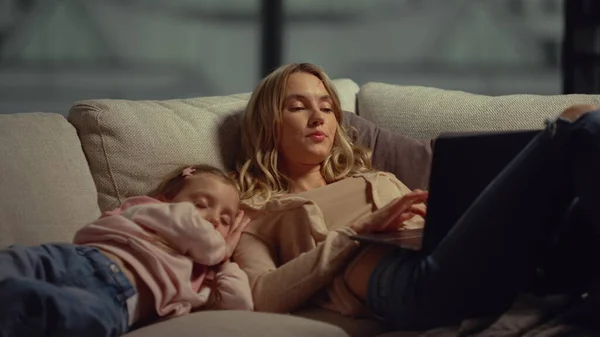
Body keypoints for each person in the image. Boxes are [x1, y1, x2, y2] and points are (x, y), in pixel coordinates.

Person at [233, 62, 600, 330]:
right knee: (579, 125)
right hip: (406, 283)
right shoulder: (259, 210)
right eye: (298, 107)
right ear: (268, 124)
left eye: (327, 108)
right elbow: (264, 295)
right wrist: (356, 231)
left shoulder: (374, 175)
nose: (319, 117)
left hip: (463, 259)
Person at [0, 164, 253, 337]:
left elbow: (239, 305)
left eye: (226, 219)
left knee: (70, 317)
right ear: (165, 199)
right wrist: (219, 248)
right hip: (80, 259)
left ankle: (16, 300)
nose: (213, 219)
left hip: (117, 301)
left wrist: (225, 263)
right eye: (200, 204)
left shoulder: (206, 269)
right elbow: (188, 226)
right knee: (17, 261)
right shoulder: (148, 210)